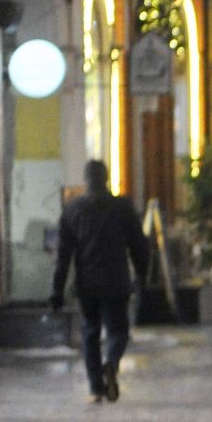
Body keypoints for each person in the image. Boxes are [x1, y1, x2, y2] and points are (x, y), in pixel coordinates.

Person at [51, 159, 150, 404]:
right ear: (106, 178)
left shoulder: (73, 209)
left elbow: (63, 255)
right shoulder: (123, 207)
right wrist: (141, 276)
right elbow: (140, 246)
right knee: (118, 330)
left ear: (86, 180)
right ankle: (112, 362)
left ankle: (95, 387)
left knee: (90, 332)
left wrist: (57, 290)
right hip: (116, 279)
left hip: (87, 282)